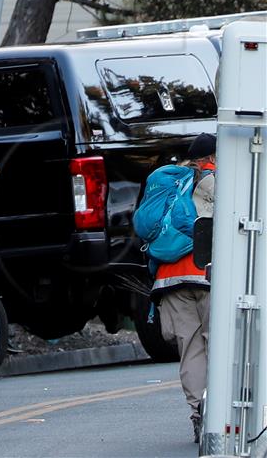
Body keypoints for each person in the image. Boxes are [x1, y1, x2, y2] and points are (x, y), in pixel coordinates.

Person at [150, 132, 216, 443]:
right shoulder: (219, 180)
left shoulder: (170, 182)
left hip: (168, 278)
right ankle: (219, 413)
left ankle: (198, 415)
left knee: (190, 349)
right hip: (208, 274)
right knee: (219, 345)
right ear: (212, 158)